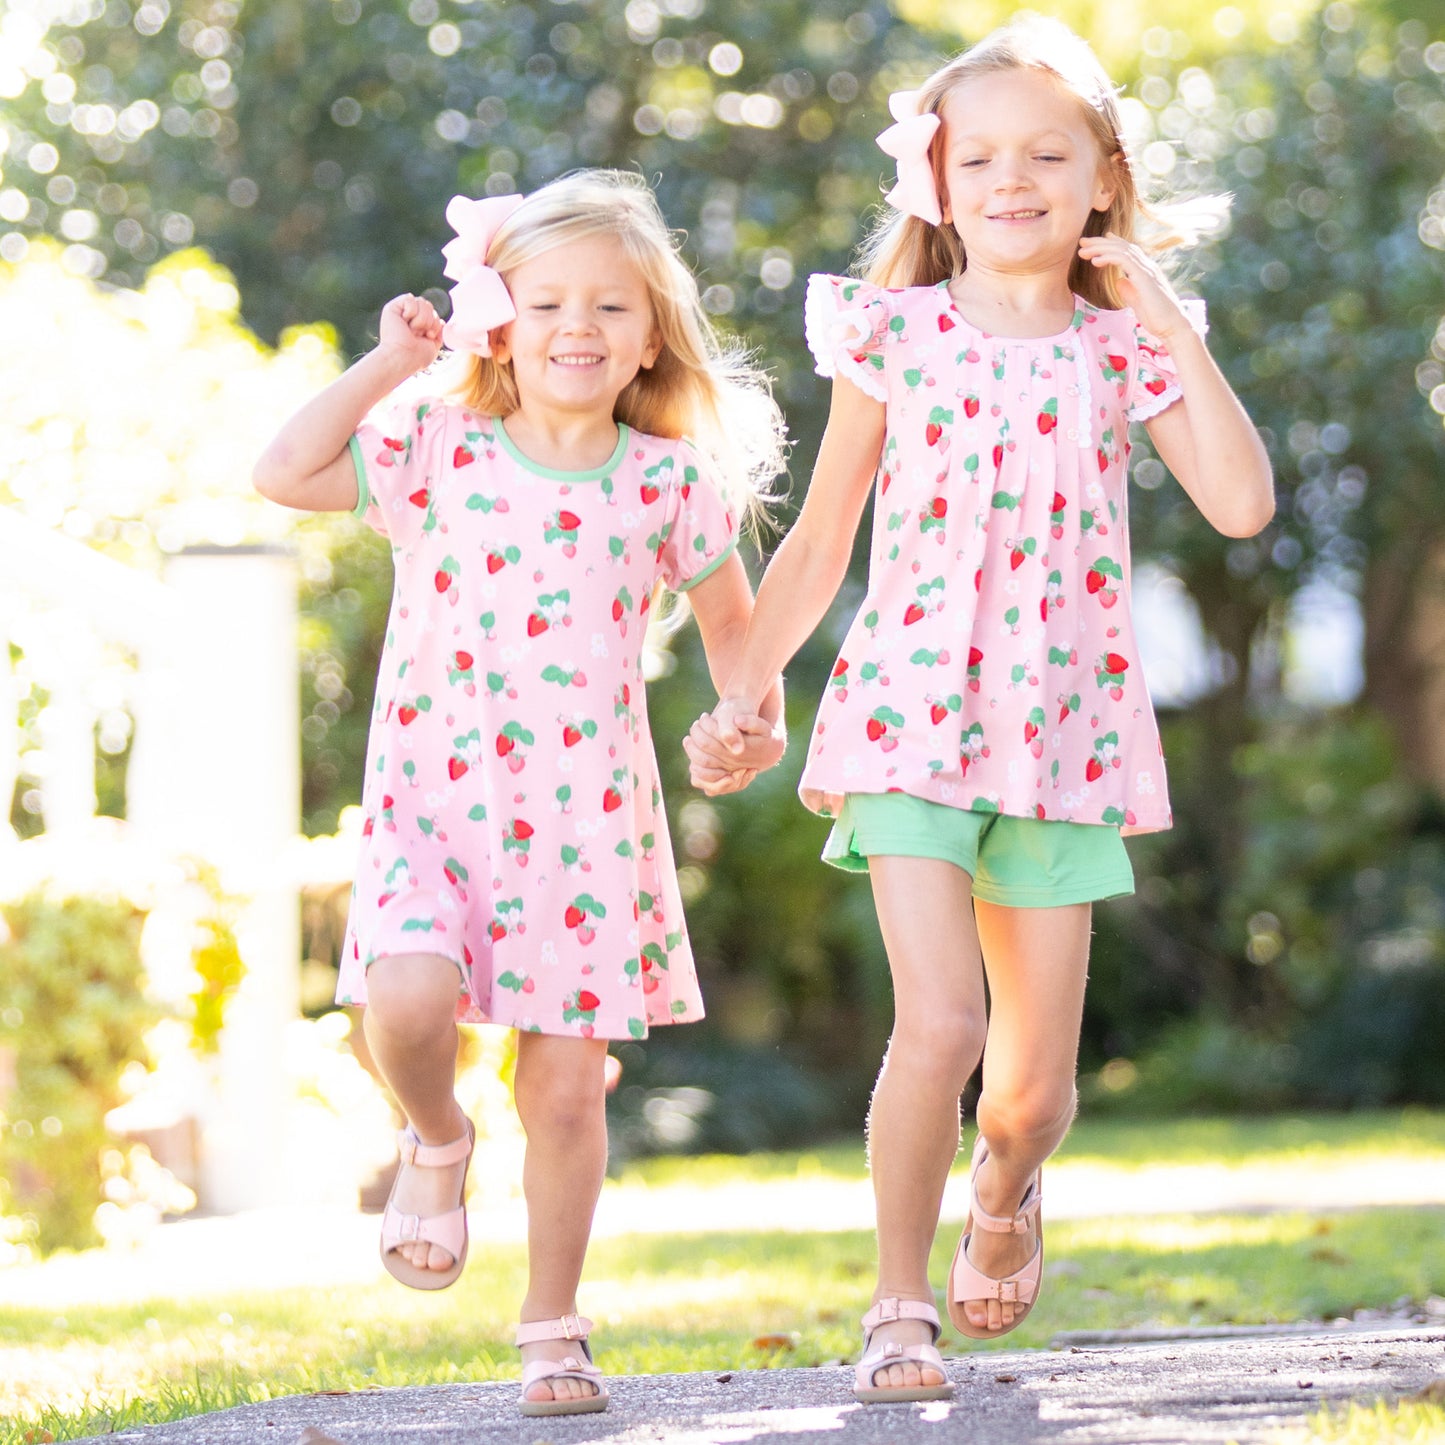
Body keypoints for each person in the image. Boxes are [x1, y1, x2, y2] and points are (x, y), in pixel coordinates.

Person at [686, 15, 1273, 1405]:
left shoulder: (1121, 349)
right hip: (907, 718)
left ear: (1101, 179)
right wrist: (743, 694)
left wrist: (1163, 313)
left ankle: (1004, 1187)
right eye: (981, 156)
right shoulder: (893, 331)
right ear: (934, 184)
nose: (1012, 179)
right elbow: (823, 538)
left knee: (1030, 1094)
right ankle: (897, 1307)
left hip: (1062, 739)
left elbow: (1242, 504)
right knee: (938, 1023)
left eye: (1047, 154)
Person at [254, 170, 785, 1417]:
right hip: (430, 806)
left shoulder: (668, 484)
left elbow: (738, 651)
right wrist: (388, 365)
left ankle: (553, 1324)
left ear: (649, 336)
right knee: (404, 991)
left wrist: (738, 732)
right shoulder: (434, 448)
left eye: (609, 305)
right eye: (545, 300)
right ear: (499, 317)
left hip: (587, 830)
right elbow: (283, 470)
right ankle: (435, 1137)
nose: (577, 326)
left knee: (560, 1087)